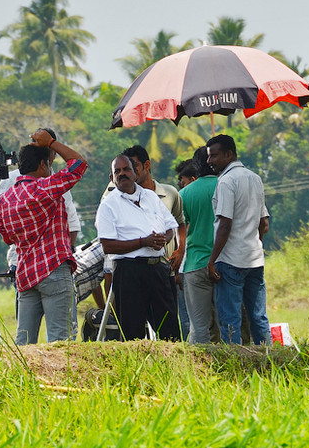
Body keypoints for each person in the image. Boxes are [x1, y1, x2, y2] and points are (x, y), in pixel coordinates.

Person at [0, 131, 82, 335]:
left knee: (24, 338)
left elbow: (6, 236)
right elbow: (79, 165)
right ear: (43, 165)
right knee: (59, 339)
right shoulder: (49, 186)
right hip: (54, 267)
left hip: (24, 272)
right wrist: (52, 142)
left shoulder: (8, 197)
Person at [95, 154, 180, 341]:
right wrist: (143, 242)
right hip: (128, 271)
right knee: (133, 331)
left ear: (135, 173)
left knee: (170, 328)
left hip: (158, 267)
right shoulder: (109, 205)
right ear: (112, 178)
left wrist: (162, 240)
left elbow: (171, 227)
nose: (122, 174)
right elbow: (107, 246)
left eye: (126, 170)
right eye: (117, 171)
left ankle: (175, 367)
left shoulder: (150, 196)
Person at [206, 134, 271, 345]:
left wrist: (212, 260)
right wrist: (256, 244)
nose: (209, 161)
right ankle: (270, 359)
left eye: (214, 156)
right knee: (258, 317)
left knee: (230, 321)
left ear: (229, 154)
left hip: (231, 261)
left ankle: (233, 365)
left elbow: (225, 224)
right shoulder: (255, 178)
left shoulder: (226, 181)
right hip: (254, 260)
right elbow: (264, 224)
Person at [123, 145, 188, 339]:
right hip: (133, 269)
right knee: (135, 330)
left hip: (164, 268)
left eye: (133, 167)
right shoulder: (119, 196)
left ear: (147, 165)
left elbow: (179, 224)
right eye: (125, 168)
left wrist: (180, 250)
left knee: (169, 327)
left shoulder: (170, 193)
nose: (129, 173)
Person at [180, 148, 222, 344]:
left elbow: (179, 229)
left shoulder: (185, 194)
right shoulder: (225, 186)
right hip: (225, 263)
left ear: (196, 167)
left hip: (195, 264)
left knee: (199, 327)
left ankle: (197, 368)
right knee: (228, 324)